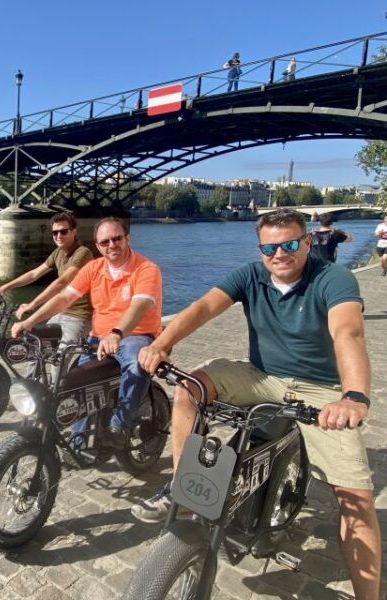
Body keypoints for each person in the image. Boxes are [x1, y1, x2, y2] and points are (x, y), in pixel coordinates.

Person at [133, 209, 380, 600]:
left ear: (307, 241)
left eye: (290, 244)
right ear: (260, 249)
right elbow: (203, 307)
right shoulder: (250, 275)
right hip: (262, 375)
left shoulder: (333, 278)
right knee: (189, 388)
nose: (279, 253)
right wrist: (161, 344)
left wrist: (352, 397)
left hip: (320, 387)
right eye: (269, 247)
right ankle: (184, 487)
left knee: (356, 501)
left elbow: (348, 333)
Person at [11, 217, 162, 439]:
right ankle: (77, 440)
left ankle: (120, 425)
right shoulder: (93, 268)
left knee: (136, 365)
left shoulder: (147, 269)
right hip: (98, 339)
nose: (112, 245)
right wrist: (30, 321)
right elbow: (64, 298)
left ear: (127, 238)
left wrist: (117, 333)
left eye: (117, 239)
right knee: (75, 384)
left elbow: (139, 305)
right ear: (98, 246)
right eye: (105, 242)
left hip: (135, 335)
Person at [0, 212, 93, 345]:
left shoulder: (83, 252)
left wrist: (32, 304)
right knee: (36, 344)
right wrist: (6, 287)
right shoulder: (58, 252)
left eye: (63, 231)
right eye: (55, 233)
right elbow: (35, 274)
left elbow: (62, 282)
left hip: (80, 316)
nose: (58, 236)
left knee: (62, 354)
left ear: (74, 232)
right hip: (61, 311)